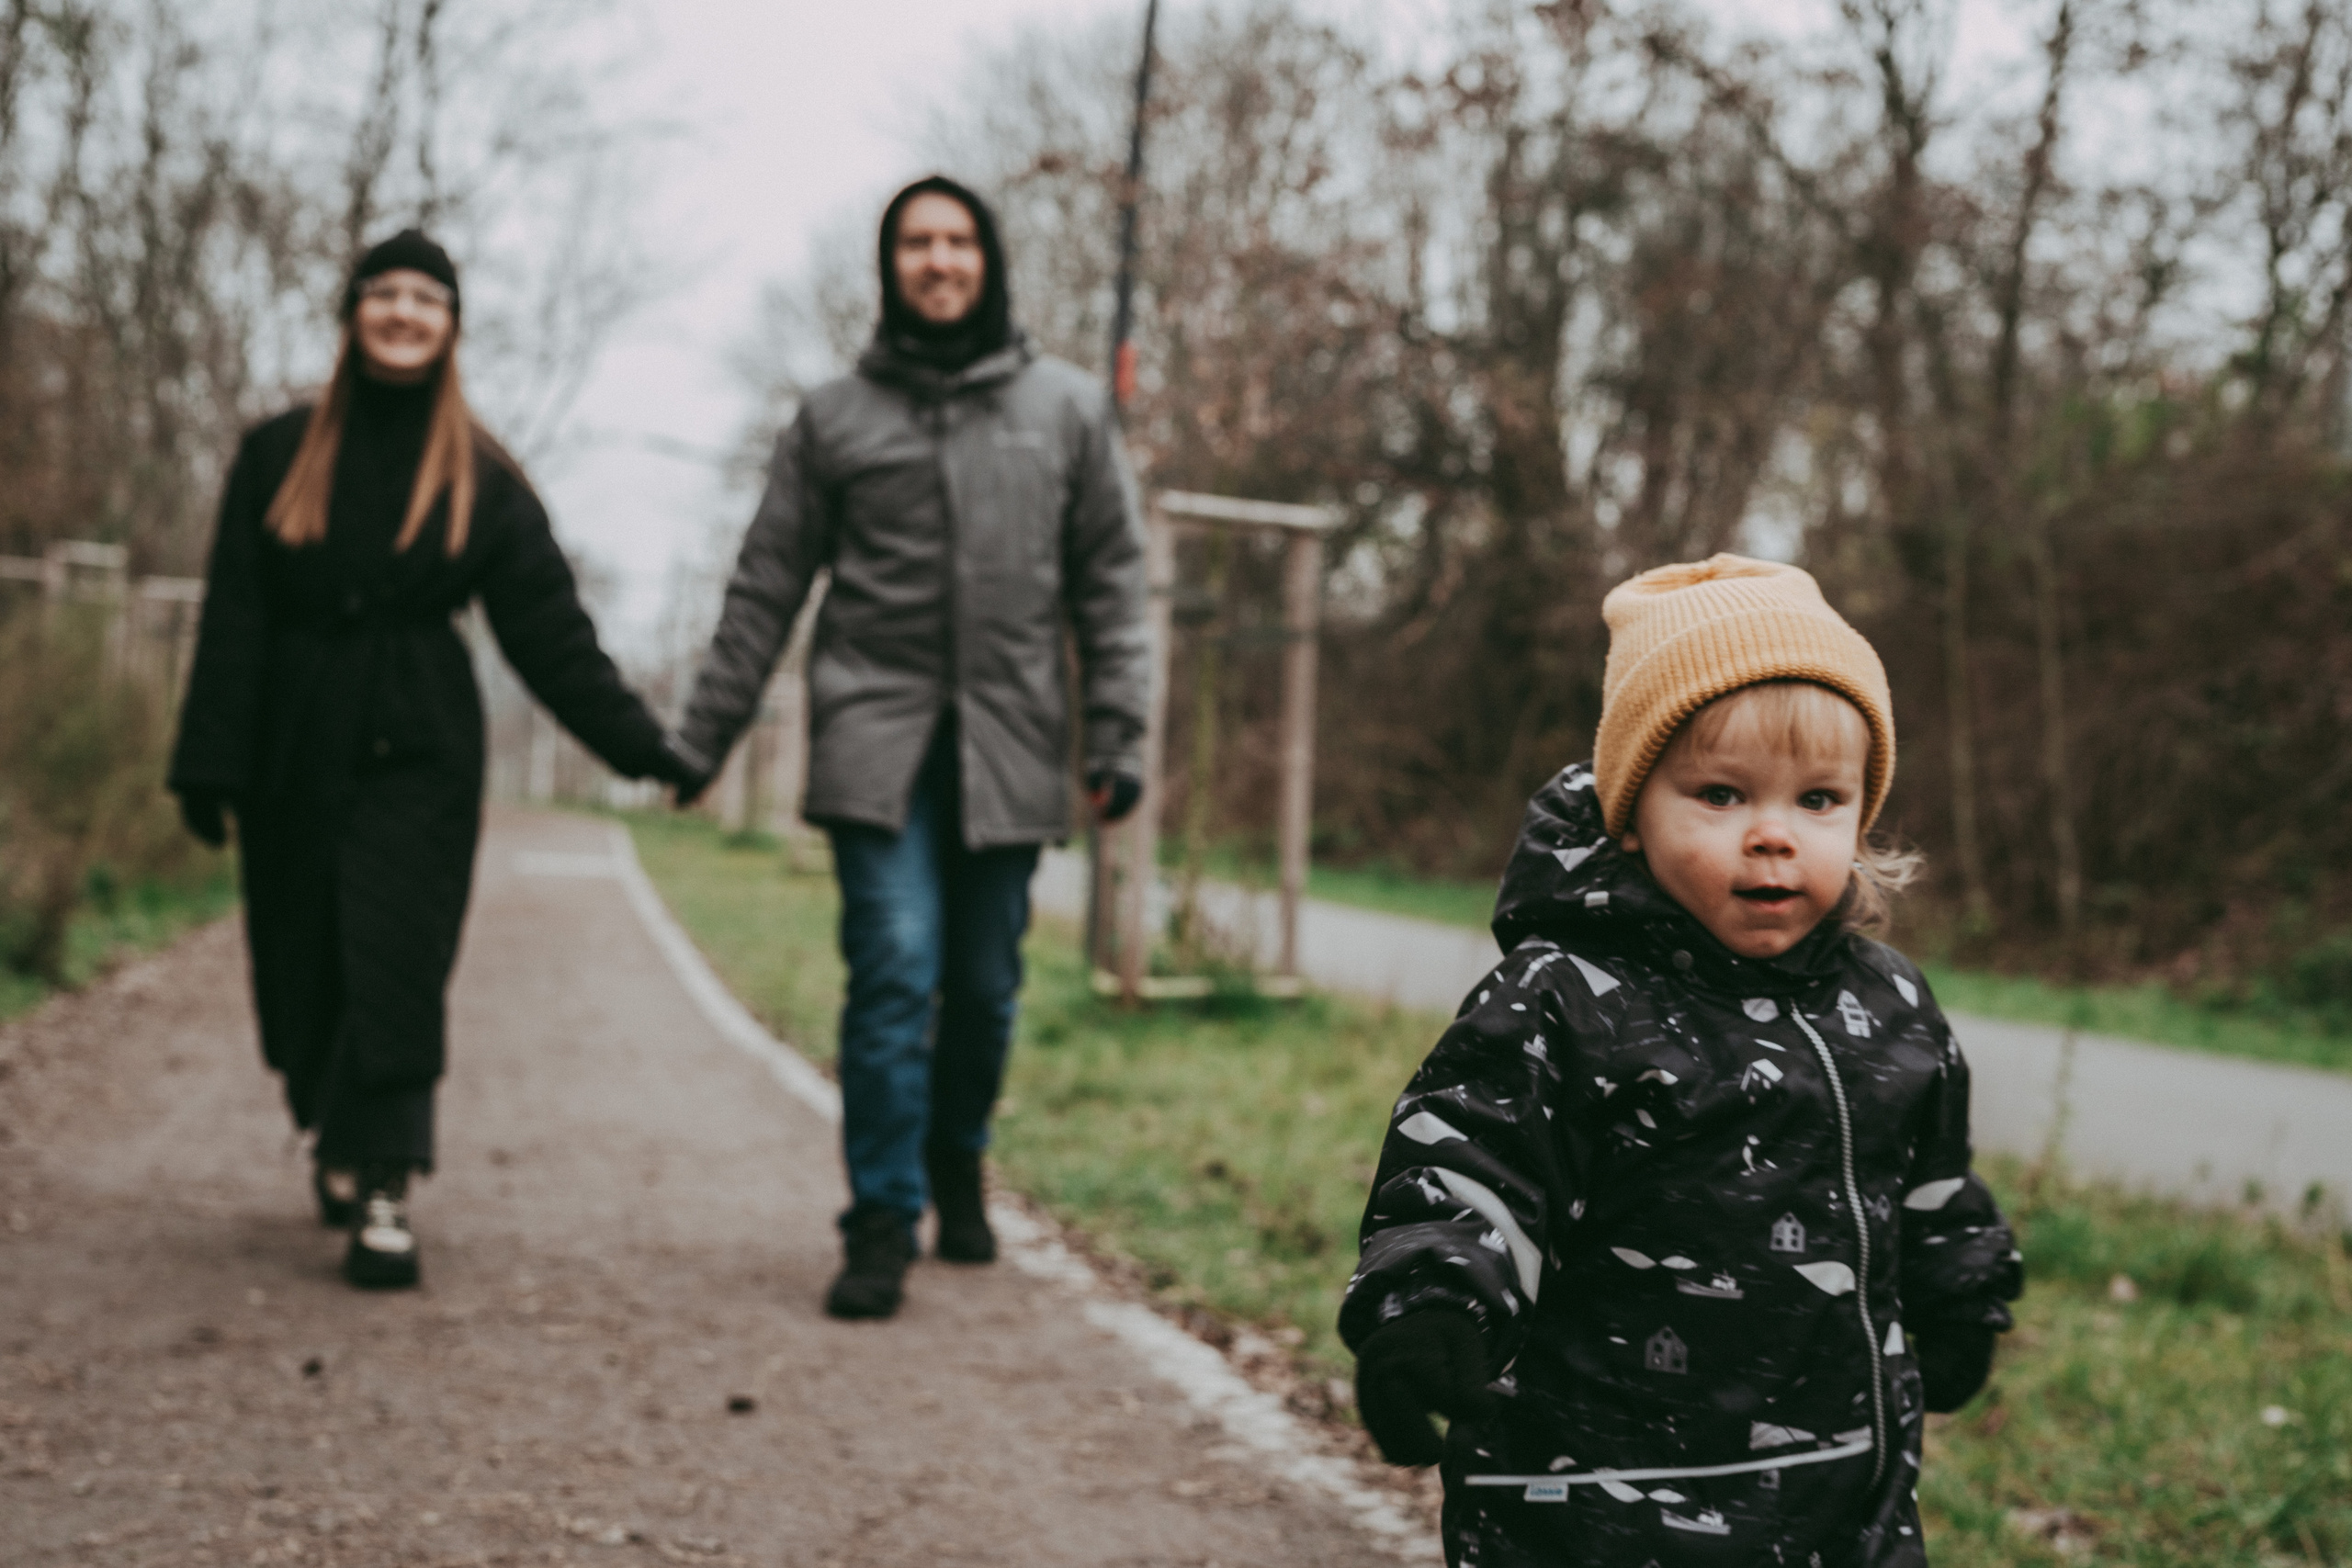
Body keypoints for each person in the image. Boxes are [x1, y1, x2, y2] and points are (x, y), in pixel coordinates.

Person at [1339, 556, 2023, 1566]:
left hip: (1841, 1497)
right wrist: (1432, 1310)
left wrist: (1959, 1290)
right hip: (1595, 1503)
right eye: (1721, 793)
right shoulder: (1564, 1000)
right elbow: (1473, 1171)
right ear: (1631, 812)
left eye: (1819, 799)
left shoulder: (1888, 1002)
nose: (1773, 836)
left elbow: (1927, 1176)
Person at [169, 229, 697, 1290]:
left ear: (452, 326)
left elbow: (551, 638)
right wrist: (208, 763)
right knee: (304, 963)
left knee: (396, 960)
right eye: (385, 293)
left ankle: (386, 1184)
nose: (404, 312)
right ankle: (333, 1123)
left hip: (421, 753)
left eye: (427, 298)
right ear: (353, 312)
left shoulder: (483, 480)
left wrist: (648, 749)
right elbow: (234, 615)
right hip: (292, 750)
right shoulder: (277, 452)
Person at [668, 175, 1149, 1321]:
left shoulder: (1067, 410)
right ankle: (881, 1219)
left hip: (1011, 742)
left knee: (984, 989)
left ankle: (955, 1154)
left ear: (989, 261)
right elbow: (766, 584)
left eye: (957, 241)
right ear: (889, 266)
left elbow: (1111, 585)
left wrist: (1118, 734)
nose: (938, 260)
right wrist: (702, 736)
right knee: (893, 968)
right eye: (916, 243)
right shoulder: (833, 418)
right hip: (874, 742)